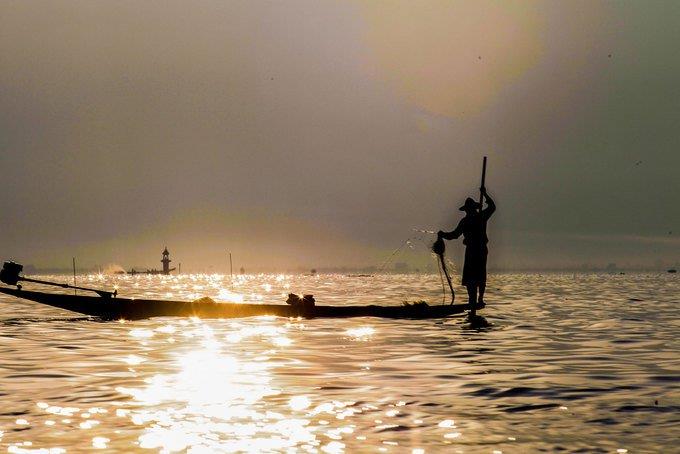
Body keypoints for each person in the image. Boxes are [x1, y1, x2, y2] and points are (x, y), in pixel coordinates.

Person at [438, 188, 495, 308]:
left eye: (469, 209)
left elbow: (492, 207)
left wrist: (485, 194)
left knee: (479, 274)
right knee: (472, 276)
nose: (468, 211)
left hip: (478, 249)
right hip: (473, 250)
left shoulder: (480, 217)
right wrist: (443, 234)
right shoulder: (467, 221)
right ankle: (473, 300)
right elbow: (454, 235)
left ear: (472, 209)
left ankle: (479, 299)